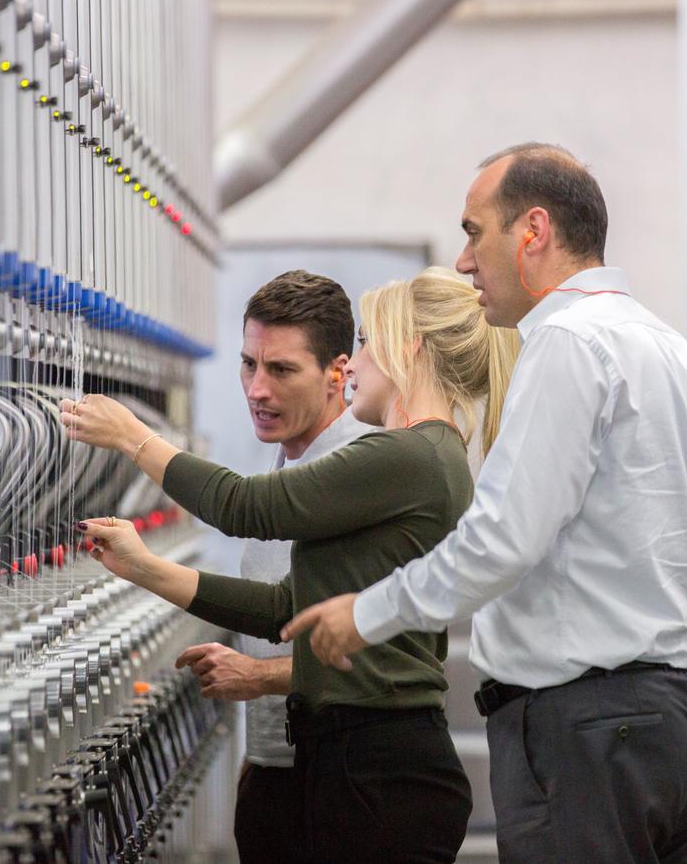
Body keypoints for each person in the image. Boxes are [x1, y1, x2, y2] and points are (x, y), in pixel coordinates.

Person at [284, 143, 687, 864]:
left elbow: (502, 538)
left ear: (532, 231)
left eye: (473, 231)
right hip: (678, 725)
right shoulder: (676, 353)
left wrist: (368, 612)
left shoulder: (565, 344)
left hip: (586, 736)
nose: (464, 262)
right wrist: (674, 708)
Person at [62, 266, 519, 864]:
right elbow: (288, 608)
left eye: (363, 346)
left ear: (408, 350)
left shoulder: (408, 455)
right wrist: (146, 569)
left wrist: (133, 436)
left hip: (378, 769)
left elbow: (245, 505)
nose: (352, 367)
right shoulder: (413, 455)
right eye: (249, 366)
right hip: (351, 759)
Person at [170, 270, 376, 861]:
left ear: (340, 370)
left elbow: (380, 655)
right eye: (248, 365)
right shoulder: (290, 472)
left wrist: (257, 679)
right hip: (279, 767)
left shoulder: (359, 471)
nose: (257, 389)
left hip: (345, 780)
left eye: (281, 370)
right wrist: (257, 765)